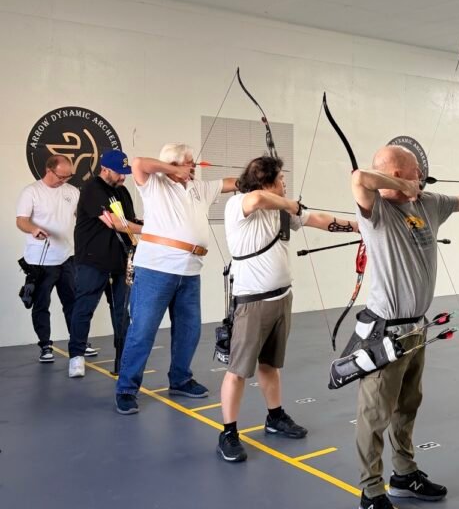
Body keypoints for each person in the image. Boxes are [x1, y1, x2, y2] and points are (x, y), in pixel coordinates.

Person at [350, 145, 459, 509]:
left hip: (417, 328)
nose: (421, 176)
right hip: (385, 332)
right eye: (414, 172)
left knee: (407, 405)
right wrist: (401, 185)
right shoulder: (376, 211)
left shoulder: (428, 204)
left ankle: (404, 473)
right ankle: (371, 491)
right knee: (375, 413)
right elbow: (359, 178)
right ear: (397, 175)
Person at [217, 155, 360, 462]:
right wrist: (290, 204)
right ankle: (228, 433)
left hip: (282, 298)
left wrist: (360, 228)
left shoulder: (282, 211)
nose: (285, 183)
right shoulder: (238, 204)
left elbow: (318, 220)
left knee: (271, 365)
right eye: (280, 178)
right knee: (238, 371)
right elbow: (256, 199)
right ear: (265, 180)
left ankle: (275, 416)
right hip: (252, 302)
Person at [115, 143, 236, 414]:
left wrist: (256, 177)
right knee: (143, 330)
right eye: (188, 162)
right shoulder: (155, 184)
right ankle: (126, 389)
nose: (194, 166)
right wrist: (172, 170)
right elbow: (138, 163)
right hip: (155, 269)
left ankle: (180, 379)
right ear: (173, 164)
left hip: (190, 271)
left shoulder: (198, 187)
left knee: (189, 330)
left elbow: (230, 183)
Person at [67, 150, 142, 378]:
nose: (123, 177)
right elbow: (116, 223)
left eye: (125, 172)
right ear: (105, 169)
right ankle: (76, 356)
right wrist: (150, 229)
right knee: (84, 307)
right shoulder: (92, 189)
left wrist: (147, 224)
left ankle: (123, 358)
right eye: (119, 172)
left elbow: (129, 221)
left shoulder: (123, 191)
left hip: (120, 260)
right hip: (93, 260)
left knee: (121, 311)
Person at [16, 155, 82, 362]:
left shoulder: (73, 192)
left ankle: (77, 342)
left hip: (67, 257)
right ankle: (45, 345)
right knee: (41, 304)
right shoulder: (31, 191)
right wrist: (33, 229)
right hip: (40, 261)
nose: (64, 180)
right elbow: (21, 221)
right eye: (61, 176)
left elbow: (81, 218)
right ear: (48, 170)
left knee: (72, 303)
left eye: (68, 176)